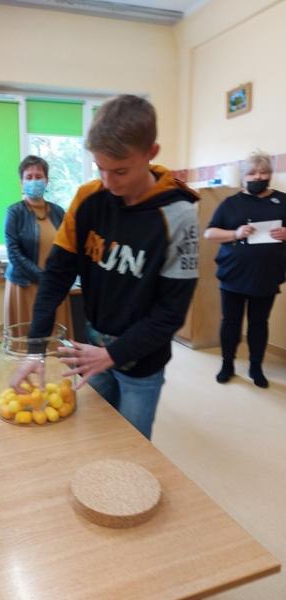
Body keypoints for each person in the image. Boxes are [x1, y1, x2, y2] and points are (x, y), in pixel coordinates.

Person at [15, 94, 199, 440]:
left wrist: (113, 354)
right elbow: (56, 276)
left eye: (120, 170)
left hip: (140, 363)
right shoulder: (88, 198)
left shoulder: (180, 213)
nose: (109, 181)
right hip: (91, 352)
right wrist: (35, 351)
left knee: (131, 446)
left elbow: (171, 312)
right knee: (96, 439)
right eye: (100, 167)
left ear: (151, 152)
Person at [204, 151, 286, 388]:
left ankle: (256, 367)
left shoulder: (282, 201)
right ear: (243, 177)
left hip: (267, 275)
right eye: (252, 173)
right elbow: (210, 232)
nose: (257, 177)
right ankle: (227, 364)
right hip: (233, 274)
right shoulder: (231, 203)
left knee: (259, 323)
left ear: (270, 175)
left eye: (263, 172)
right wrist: (235, 233)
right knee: (231, 322)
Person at [4, 155, 71, 333]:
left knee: (55, 338)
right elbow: (13, 253)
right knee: (29, 340)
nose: (34, 181)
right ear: (22, 182)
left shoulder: (58, 212)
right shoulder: (14, 212)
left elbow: (67, 247)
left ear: (46, 180)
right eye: (29, 177)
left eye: (39, 176)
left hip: (53, 285)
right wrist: (43, 278)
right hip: (24, 285)